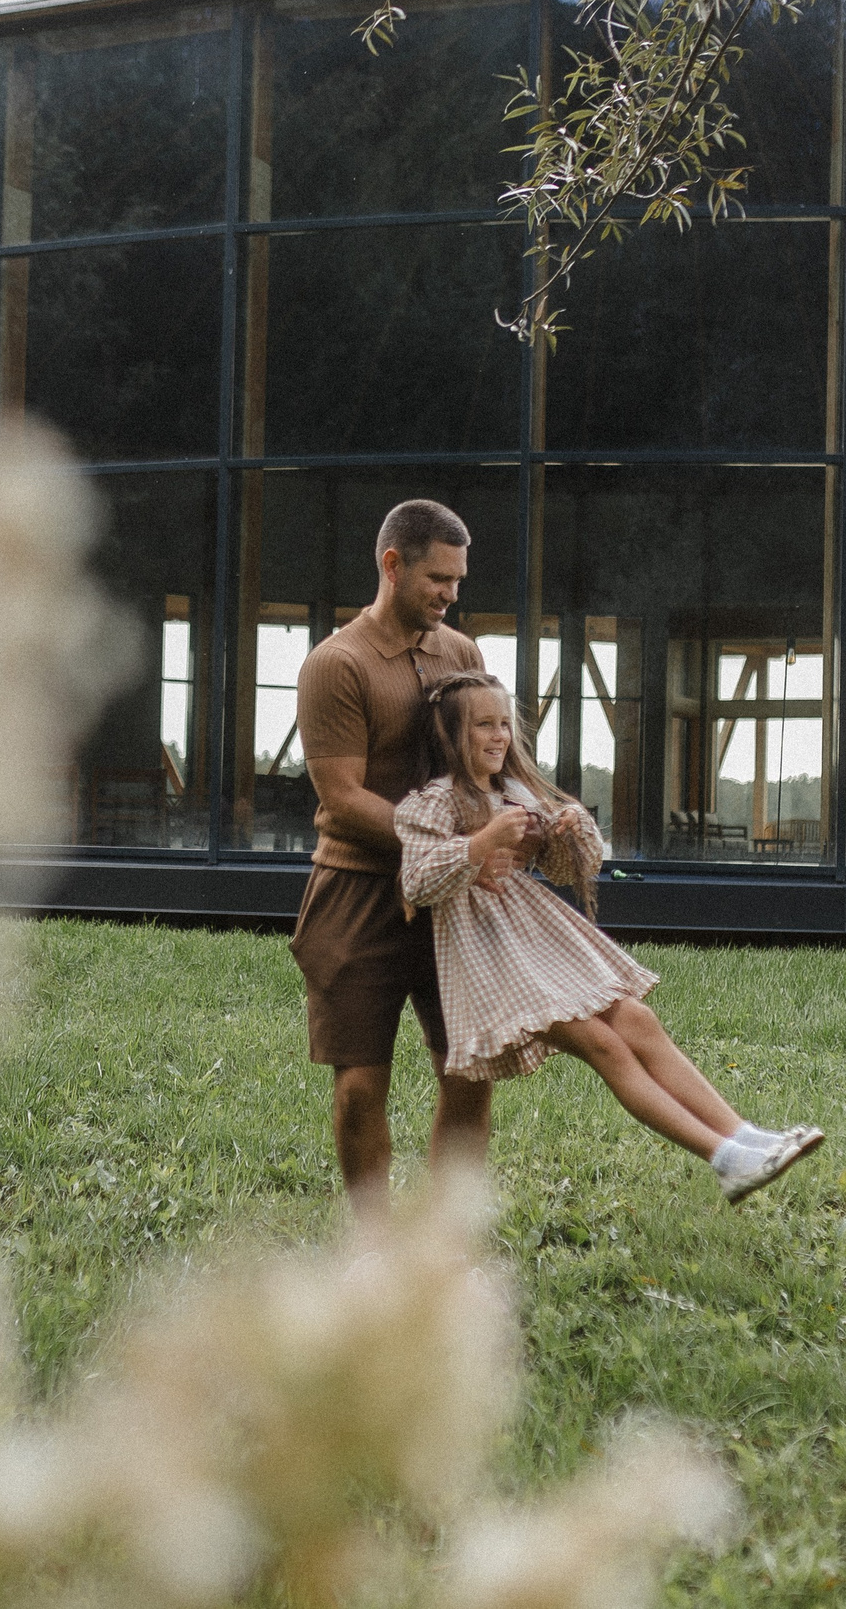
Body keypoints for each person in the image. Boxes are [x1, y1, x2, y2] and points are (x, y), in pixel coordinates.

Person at [395, 670, 823, 1204]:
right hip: (492, 960)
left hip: (538, 943)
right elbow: (417, 880)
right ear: (450, 734)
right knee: (603, 1044)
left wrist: (572, 832)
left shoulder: (516, 791)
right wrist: (481, 843)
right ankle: (727, 1160)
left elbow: (565, 870)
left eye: (505, 723)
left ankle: (746, 1136)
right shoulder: (435, 801)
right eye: (484, 725)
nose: (500, 735)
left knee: (638, 1020)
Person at [291, 499, 498, 1221]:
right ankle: (374, 1251)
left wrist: (528, 811)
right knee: (358, 1088)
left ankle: (442, 1253)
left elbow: (486, 759)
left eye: (458, 581)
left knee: (470, 1073)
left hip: (449, 896)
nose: (451, 593)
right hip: (357, 891)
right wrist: (450, 847)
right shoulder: (334, 664)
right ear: (392, 565)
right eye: (438, 578)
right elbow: (344, 797)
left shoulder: (462, 654)